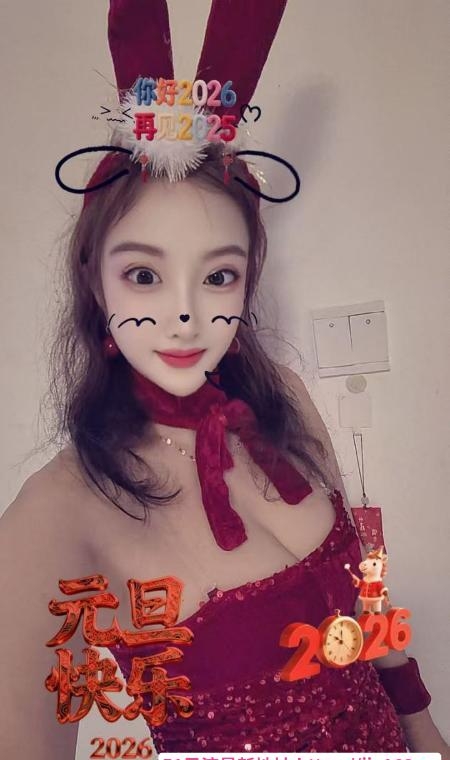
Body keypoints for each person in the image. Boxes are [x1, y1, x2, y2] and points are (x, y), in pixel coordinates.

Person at [0, 146, 448, 759]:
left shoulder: (282, 397)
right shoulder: (55, 513)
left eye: (218, 276)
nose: (186, 318)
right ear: (94, 280)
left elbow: (364, 593)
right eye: (144, 275)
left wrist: (422, 726)